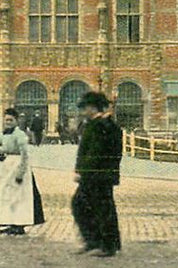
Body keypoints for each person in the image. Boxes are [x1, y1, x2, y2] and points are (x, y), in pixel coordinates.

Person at [72, 91, 122, 257]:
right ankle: (96, 242)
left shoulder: (101, 126)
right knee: (90, 206)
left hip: (97, 176)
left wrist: (82, 172)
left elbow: (95, 153)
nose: (83, 111)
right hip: (97, 175)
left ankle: (106, 245)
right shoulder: (97, 124)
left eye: (85, 108)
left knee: (97, 208)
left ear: (93, 108)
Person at [0, 108, 44, 236]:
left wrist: (20, 173)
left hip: (18, 166)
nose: (8, 122)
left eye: (11, 120)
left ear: (16, 121)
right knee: (5, 194)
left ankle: (19, 224)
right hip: (6, 167)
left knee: (20, 197)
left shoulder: (20, 135)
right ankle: (7, 221)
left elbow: (25, 155)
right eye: (6, 120)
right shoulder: (3, 134)